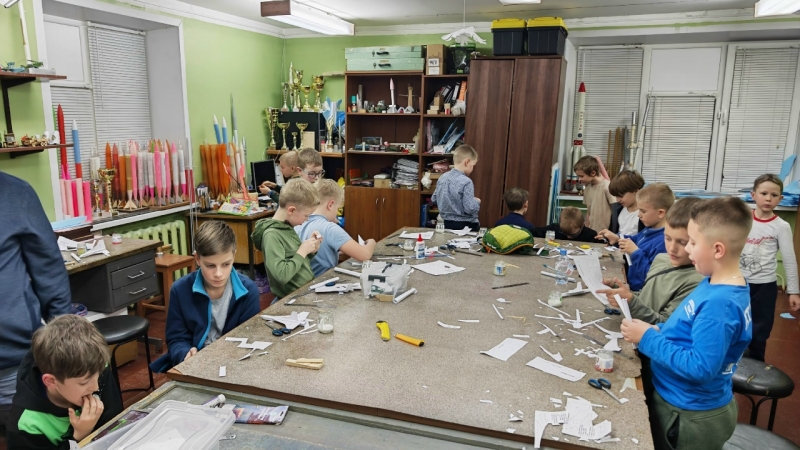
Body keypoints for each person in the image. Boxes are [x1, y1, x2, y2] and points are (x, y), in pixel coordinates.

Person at [621, 196, 752, 450]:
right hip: (677, 401)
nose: (688, 249)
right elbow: (686, 329)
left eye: (692, 242)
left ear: (717, 250)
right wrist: (658, 329)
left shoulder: (720, 305)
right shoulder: (713, 281)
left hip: (689, 415)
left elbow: (700, 368)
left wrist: (648, 337)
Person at [597, 197, 705, 407]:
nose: (672, 248)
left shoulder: (696, 282)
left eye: (683, 243)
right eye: (668, 238)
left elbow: (664, 324)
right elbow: (649, 296)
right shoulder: (662, 259)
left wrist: (631, 302)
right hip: (637, 343)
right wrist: (627, 293)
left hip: (655, 358)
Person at [0, 172, 71, 430]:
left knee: (29, 435)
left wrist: (64, 338)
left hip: (12, 364)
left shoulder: (15, 192)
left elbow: (49, 270)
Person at [149, 221, 260, 373]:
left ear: (234, 256)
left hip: (233, 364)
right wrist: (185, 353)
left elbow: (249, 339)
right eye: (210, 266)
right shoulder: (179, 290)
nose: (218, 274)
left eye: (226, 264)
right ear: (197, 259)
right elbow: (176, 339)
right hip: (195, 365)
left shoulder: (248, 291)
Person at [6, 315, 122, 449]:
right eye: (83, 383)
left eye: (99, 374)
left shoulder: (94, 366)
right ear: (51, 381)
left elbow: (116, 421)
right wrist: (79, 436)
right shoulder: (26, 427)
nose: (95, 387)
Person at [740, 174, 800, 362]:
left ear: (780, 199)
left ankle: (756, 366)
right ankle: (732, 366)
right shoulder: (742, 220)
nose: (768, 198)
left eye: (774, 195)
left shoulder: (781, 226)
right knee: (735, 325)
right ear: (753, 195)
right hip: (738, 283)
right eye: (764, 193)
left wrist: (794, 291)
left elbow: (789, 259)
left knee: (760, 330)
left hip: (765, 286)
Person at [597, 183, 675, 292]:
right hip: (631, 286)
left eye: (643, 211)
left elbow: (652, 276)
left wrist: (635, 252)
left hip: (642, 293)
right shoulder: (649, 228)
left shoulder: (665, 242)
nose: (639, 215)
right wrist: (617, 239)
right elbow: (635, 240)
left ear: (660, 213)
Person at [252, 178, 322, 299]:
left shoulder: (286, 227)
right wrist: (302, 251)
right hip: (291, 299)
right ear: (291, 210)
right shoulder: (271, 235)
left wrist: (311, 251)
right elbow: (282, 275)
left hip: (304, 293)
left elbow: (295, 261)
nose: (307, 219)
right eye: (306, 215)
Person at [296, 179, 376, 277]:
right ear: (330, 205)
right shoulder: (330, 228)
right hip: (322, 280)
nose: (337, 214)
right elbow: (364, 255)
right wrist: (372, 242)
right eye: (337, 209)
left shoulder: (298, 223)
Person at [432, 145, 480, 231]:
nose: (472, 169)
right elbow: (470, 208)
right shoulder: (466, 181)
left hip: (446, 224)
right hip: (466, 226)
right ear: (467, 162)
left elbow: (434, 199)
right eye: (473, 165)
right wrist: (476, 201)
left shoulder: (442, 177)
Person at [574, 155, 616, 230]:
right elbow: (588, 211)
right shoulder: (587, 189)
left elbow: (615, 211)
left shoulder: (607, 187)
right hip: (592, 231)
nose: (579, 179)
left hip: (606, 232)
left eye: (581, 176)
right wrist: (587, 229)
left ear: (593, 173)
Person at [531, 206, 602, 243]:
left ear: (583, 225)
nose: (568, 237)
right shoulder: (554, 229)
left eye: (573, 235)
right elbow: (534, 231)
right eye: (564, 233)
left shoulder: (591, 235)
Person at [608, 170, 645, 236]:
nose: (618, 200)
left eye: (621, 196)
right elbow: (613, 231)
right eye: (616, 196)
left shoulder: (646, 213)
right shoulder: (616, 209)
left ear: (636, 191)